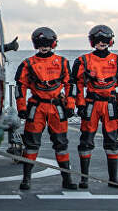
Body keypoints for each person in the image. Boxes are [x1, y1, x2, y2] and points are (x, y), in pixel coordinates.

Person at [14, 27, 77, 190]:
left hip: (57, 108)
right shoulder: (28, 64)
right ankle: (26, 179)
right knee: (32, 144)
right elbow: (20, 86)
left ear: (53, 44)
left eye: (47, 44)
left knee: (61, 144)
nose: (44, 47)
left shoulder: (62, 62)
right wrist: (21, 107)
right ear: (36, 45)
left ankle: (67, 179)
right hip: (37, 107)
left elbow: (70, 85)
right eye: (41, 44)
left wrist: (70, 104)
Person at [71, 25, 118, 189]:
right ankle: (84, 179)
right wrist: (80, 105)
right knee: (86, 141)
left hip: (110, 105)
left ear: (110, 41)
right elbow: (77, 85)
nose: (101, 43)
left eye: (105, 40)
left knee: (112, 141)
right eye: (98, 40)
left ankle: (113, 178)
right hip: (91, 104)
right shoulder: (83, 60)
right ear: (92, 42)